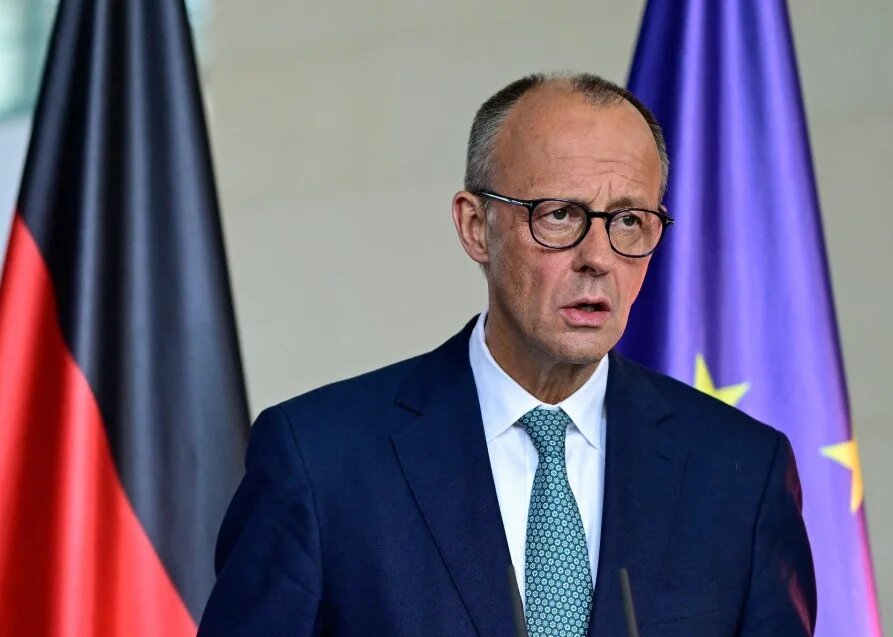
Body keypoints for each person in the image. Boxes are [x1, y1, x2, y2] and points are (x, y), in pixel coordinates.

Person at [198, 72, 816, 637]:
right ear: (475, 227)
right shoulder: (322, 461)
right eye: (560, 214)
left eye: (628, 221)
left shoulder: (740, 473)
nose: (598, 256)